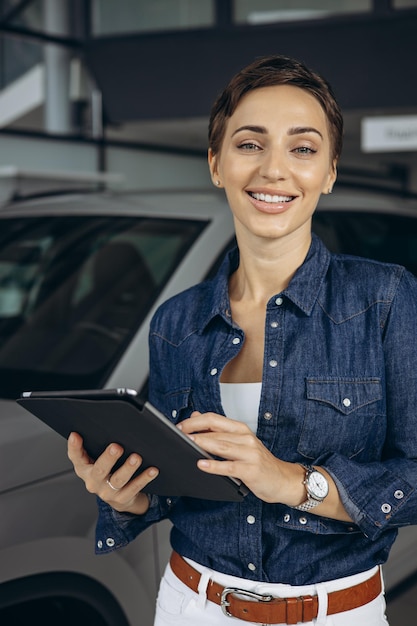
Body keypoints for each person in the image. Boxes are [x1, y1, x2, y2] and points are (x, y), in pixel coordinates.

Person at [68, 54, 417, 625]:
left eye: (302, 148)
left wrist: (290, 481)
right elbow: (178, 484)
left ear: (329, 172)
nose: (273, 170)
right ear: (216, 163)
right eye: (250, 144)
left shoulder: (386, 300)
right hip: (190, 605)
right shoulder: (175, 322)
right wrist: (126, 496)